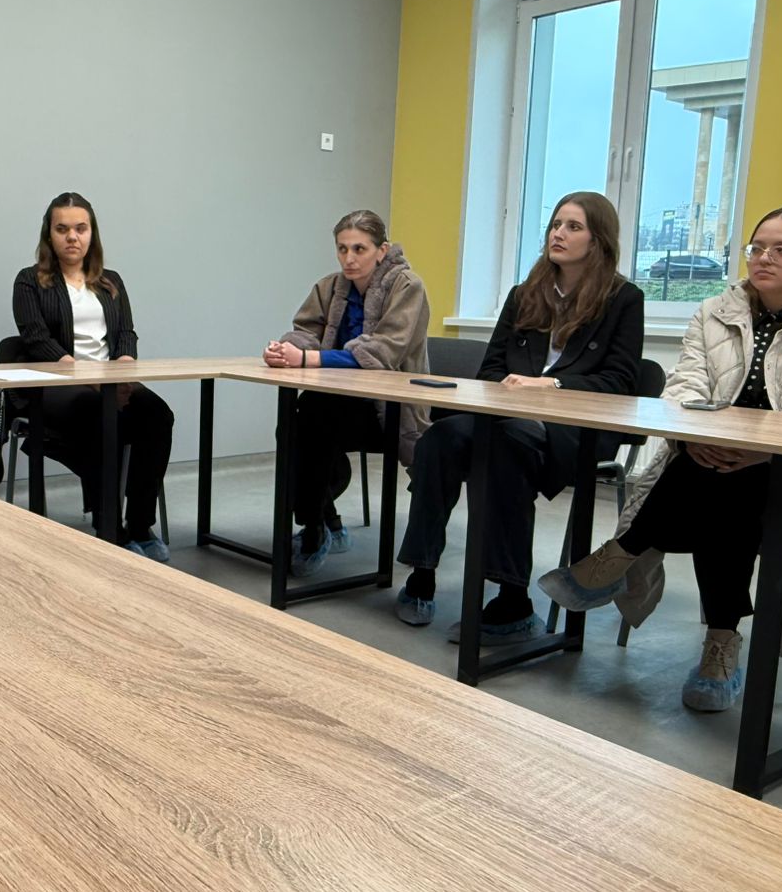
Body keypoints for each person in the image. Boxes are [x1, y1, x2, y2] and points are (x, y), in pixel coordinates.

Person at [539, 205, 782, 711]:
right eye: (757, 248)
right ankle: (721, 643)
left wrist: (761, 450)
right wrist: (693, 437)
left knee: (732, 485)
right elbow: (685, 384)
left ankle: (619, 555)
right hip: (704, 457)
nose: (764, 258)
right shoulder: (716, 309)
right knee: (721, 488)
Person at [395, 191, 644, 642]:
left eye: (573, 226)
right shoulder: (524, 294)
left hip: (575, 427)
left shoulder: (623, 299)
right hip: (508, 415)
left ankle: (513, 598)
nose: (558, 234)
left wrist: (551, 385)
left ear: (598, 240)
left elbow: (620, 381)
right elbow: (491, 368)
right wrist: (514, 390)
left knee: (507, 447)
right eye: (556, 224)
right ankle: (422, 572)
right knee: (441, 437)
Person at [263, 210, 430, 576]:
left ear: (382, 250)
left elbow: (384, 351)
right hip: (334, 407)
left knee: (312, 416)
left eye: (359, 249)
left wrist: (308, 358)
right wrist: (284, 350)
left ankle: (316, 527)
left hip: (389, 411)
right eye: (342, 249)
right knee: (296, 423)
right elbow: (305, 331)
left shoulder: (407, 287)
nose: (349, 258)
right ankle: (322, 522)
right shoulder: (330, 287)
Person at [11, 191, 174, 560]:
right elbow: (36, 340)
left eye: (80, 228)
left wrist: (123, 371)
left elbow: (126, 334)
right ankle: (109, 527)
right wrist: (93, 381)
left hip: (110, 382)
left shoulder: (110, 281)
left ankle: (140, 524)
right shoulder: (29, 281)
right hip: (55, 384)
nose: (72, 236)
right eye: (62, 229)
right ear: (49, 234)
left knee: (157, 414)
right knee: (97, 412)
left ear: (91, 233)